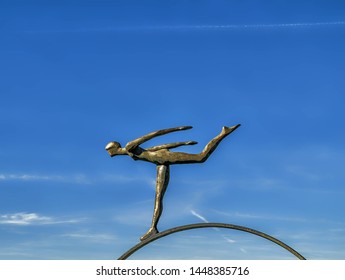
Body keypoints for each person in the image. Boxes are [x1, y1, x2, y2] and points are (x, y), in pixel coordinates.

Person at [105, 124, 240, 240]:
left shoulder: (129, 147)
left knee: (201, 157)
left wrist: (179, 129)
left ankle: (223, 133)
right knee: (158, 197)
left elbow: (155, 134)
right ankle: (153, 228)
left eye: (108, 150)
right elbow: (155, 147)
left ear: (113, 148)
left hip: (163, 157)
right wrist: (182, 143)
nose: (108, 153)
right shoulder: (129, 152)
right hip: (159, 163)